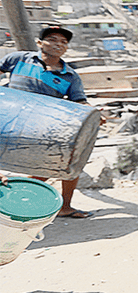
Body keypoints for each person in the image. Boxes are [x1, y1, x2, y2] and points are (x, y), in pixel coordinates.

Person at [0, 24, 100, 218]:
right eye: (52, 39)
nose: (58, 44)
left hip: (41, 126)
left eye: (63, 42)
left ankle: (64, 206)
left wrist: (94, 113)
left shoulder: (70, 76)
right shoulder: (19, 58)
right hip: (9, 119)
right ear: (40, 43)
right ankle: (16, 203)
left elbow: (79, 102)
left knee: (71, 159)